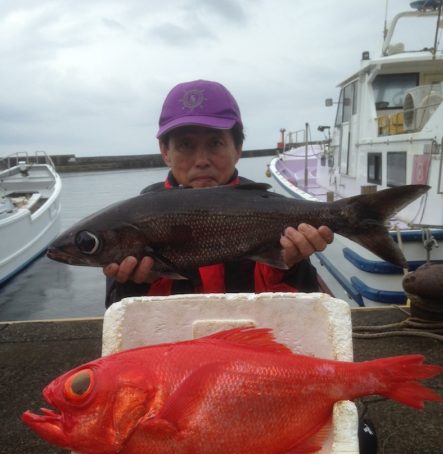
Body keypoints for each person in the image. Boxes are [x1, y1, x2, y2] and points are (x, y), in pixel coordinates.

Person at [104, 79, 334, 307]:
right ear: (165, 152)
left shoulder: (270, 212)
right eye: (185, 145)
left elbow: (303, 311)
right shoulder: (135, 222)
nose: (202, 160)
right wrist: (135, 284)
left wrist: (291, 266)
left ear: (238, 148)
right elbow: (118, 315)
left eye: (215, 143)